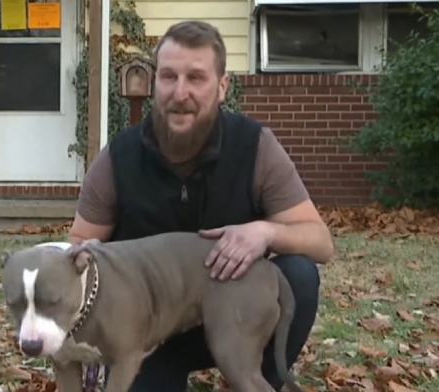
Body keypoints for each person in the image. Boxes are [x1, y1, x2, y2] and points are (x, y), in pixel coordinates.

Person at [68, 20, 334, 392]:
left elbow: (320, 242)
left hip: (235, 314)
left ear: (222, 86)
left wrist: (266, 231)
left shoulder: (254, 147)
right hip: (149, 333)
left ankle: (263, 381)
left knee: (298, 275)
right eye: (168, 77)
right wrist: (87, 257)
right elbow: (80, 247)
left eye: (196, 78)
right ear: (154, 82)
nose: (180, 93)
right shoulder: (118, 159)